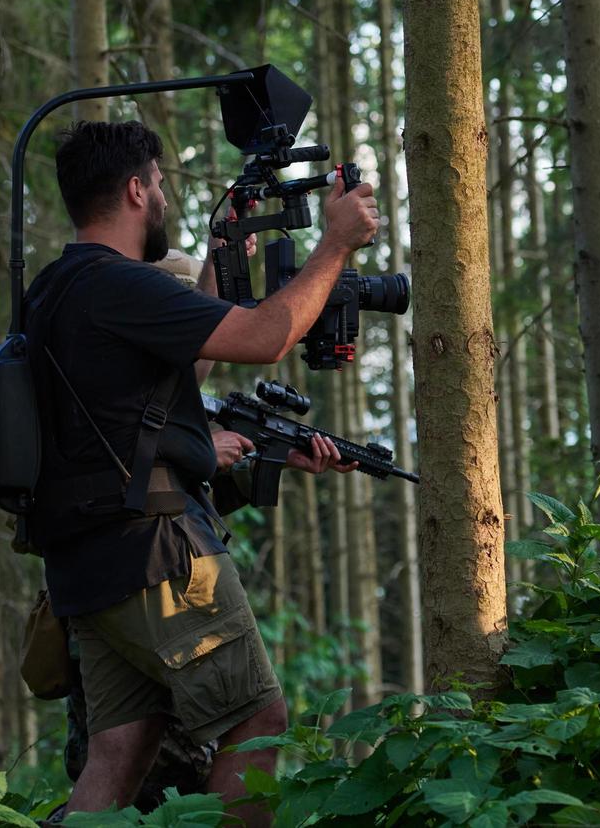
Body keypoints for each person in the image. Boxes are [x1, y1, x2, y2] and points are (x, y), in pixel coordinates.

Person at [26, 120, 378, 825]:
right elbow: (266, 336)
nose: (162, 198)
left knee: (120, 749)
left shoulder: (58, 290)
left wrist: (224, 259)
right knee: (260, 717)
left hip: (86, 563)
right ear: (134, 188)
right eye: (157, 183)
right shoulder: (119, 283)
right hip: (158, 554)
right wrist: (336, 243)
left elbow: (173, 376)